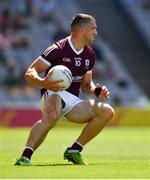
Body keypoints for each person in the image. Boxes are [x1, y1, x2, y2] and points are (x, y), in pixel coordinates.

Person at [15, 13, 114, 166]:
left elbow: (87, 85)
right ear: (82, 30)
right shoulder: (58, 48)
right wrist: (44, 83)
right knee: (52, 116)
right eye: (93, 28)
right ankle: (25, 157)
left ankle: (74, 151)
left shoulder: (89, 54)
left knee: (107, 111)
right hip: (52, 93)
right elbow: (30, 72)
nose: (95, 32)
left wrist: (97, 91)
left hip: (72, 100)